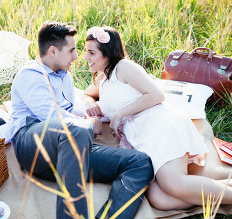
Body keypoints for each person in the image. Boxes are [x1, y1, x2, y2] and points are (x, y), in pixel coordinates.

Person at [82, 26, 232, 210]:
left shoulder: (123, 67)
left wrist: (119, 114)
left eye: (91, 53)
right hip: (142, 139)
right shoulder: (103, 80)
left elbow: (156, 95)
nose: (86, 58)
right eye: (86, 52)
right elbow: (86, 95)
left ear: (107, 52)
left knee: (173, 184)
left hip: (159, 125)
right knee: (159, 199)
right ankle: (231, 185)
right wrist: (91, 104)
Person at [9, 21, 154, 219]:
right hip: (33, 147)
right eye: (72, 50)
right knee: (77, 128)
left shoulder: (65, 77)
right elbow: (51, 116)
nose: (77, 57)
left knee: (140, 163)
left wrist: (93, 112)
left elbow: (73, 109)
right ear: (53, 51)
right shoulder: (30, 75)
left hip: (70, 151)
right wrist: (88, 124)